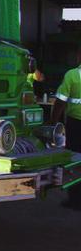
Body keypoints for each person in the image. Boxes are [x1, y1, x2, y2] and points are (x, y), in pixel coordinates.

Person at [51, 53, 81, 208]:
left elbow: (60, 101)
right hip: (75, 124)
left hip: (76, 125)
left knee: (75, 162)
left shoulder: (73, 75)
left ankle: (75, 200)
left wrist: (53, 122)